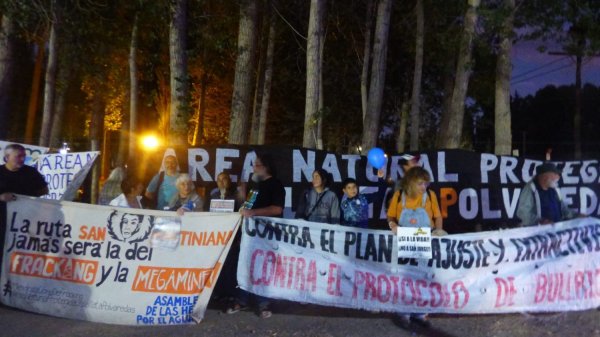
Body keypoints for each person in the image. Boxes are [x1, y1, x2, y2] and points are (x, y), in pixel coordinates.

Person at [227, 152, 285, 319]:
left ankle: (263, 302)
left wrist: (253, 212)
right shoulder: (256, 186)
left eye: (256, 165)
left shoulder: (275, 184)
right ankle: (242, 299)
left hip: (266, 234)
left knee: (262, 267)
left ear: (265, 167)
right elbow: (247, 206)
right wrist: (243, 194)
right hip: (249, 233)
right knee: (245, 264)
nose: (253, 167)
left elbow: (277, 209)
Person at [386, 166, 445, 328]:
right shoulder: (399, 196)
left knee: (423, 276)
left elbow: (438, 216)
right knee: (404, 276)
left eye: (425, 184)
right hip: (404, 241)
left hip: (425, 241)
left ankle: (420, 310)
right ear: (411, 183)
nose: (423, 187)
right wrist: (392, 225)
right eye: (420, 184)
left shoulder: (430, 196)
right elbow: (390, 215)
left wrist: (438, 231)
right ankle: (403, 309)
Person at [0, 144, 48, 264]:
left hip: (24, 224)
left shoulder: (31, 173)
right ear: (7, 157)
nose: (22, 159)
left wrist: (27, 198)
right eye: (18, 156)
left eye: (24, 156)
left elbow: (44, 190)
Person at [516, 162, 580, 227]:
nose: (558, 177)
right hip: (538, 232)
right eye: (555, 174)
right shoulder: (531, 188)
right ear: (545, 176)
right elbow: (522, 213)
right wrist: (540, 221)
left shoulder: (555, 189)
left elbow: (563, 208)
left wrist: (576, 215)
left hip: (556, 230)